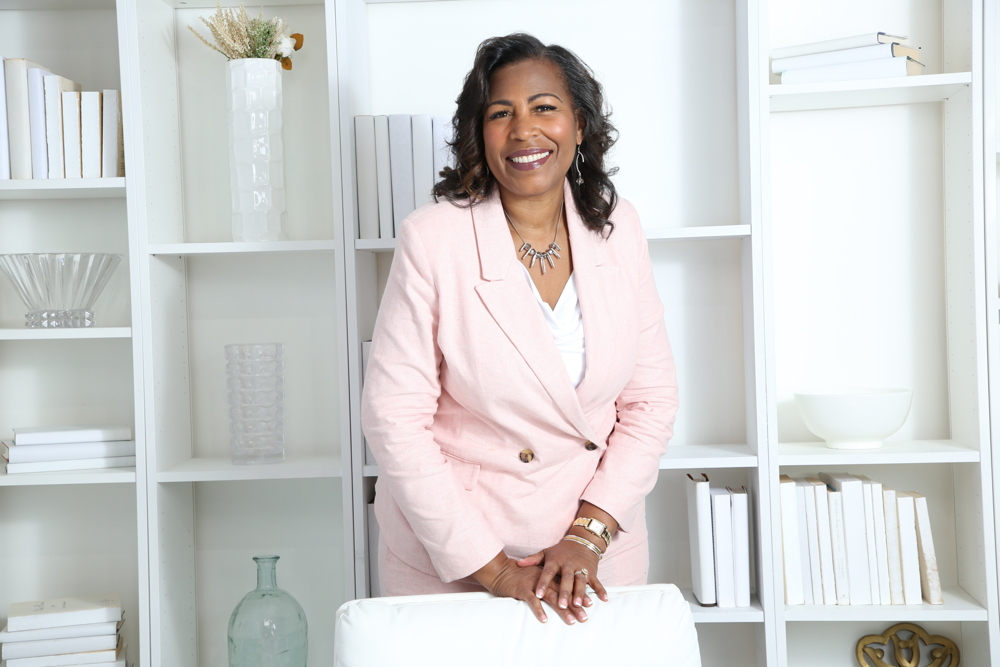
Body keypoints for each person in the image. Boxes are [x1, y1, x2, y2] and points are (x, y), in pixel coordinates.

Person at [360, 33, 678, 626]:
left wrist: (589, 534)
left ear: (579, 125)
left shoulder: (618, 226)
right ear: (480, 134)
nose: (524, 130)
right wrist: (495, 568)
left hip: (593, 557)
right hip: (459, 558)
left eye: (545, 108)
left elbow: (649, 401)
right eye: (500, 113)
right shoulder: (433, 240)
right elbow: (393, 419)